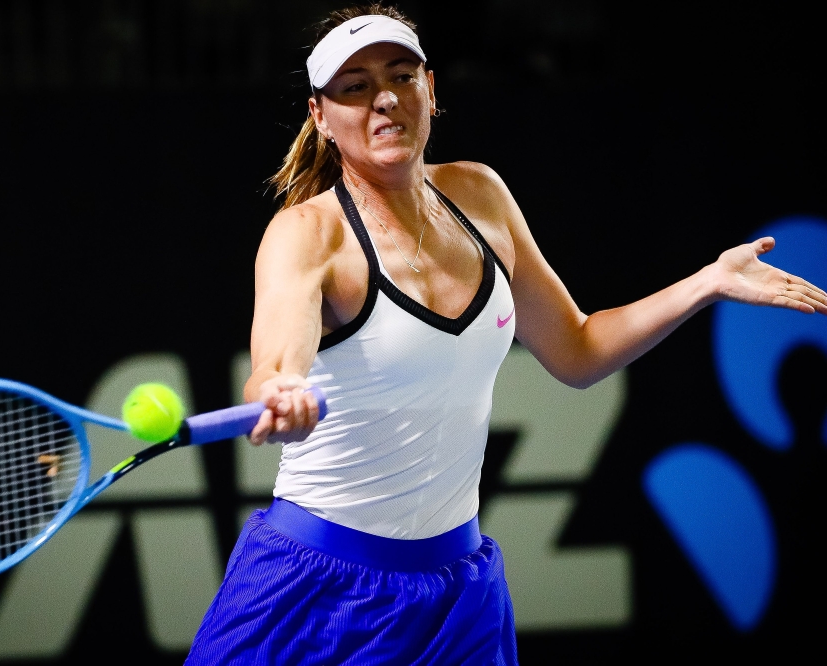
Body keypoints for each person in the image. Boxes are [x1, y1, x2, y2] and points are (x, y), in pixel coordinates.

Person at [185, 5, 827, 664]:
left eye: (400, 76)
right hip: (317, 589)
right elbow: (275, 362)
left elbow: (578, 349)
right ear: (321, 117)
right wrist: (281, 392)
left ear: (430, 90)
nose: (383, 99)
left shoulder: (481, 196)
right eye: (354, 87)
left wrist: (707, 283)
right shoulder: (306, 234)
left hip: (460, 598)